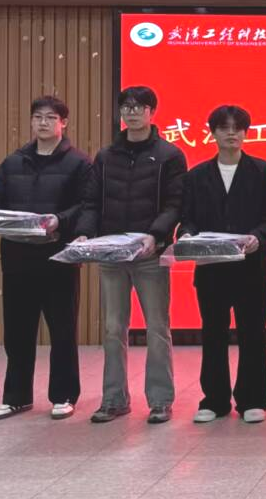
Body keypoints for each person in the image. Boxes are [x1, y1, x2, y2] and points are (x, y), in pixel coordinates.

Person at [74, 86, 186, 424]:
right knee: (112, 329)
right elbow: (91, 201)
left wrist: (156, 234)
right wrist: (85, 233)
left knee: (157, 328)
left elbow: (175, 203)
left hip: (150, 254)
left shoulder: (169, 155)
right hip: (111, 254)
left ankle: (160, 401)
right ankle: (114, 400)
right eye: (126, 107)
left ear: (152, 112)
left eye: (139, 107)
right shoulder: (106, 156)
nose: (132, 112)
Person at [0, 95, 92, 421]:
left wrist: (59, 220)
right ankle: (16, 397)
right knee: (17, 331)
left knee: (62, 330)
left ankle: (64, 396)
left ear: (63, 123)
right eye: (38, 117)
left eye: (50, 117)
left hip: (57, 256)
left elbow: (86, 205)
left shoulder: (79, 163)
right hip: (16, 256)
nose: (43, 123)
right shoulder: (13, 161)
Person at [179, 105, 266, 425]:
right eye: (224, 128)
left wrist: (258, 237)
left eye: (237, 128)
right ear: (212, 133)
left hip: (252, 268)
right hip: (212, 268)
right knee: (213, 334)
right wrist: (186, 235)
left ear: (246, 133)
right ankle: (214, 399)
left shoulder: (263, 170)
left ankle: (253, 399)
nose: (231, 133)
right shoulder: (197, 175)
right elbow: (188, 218)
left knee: (253, 334)